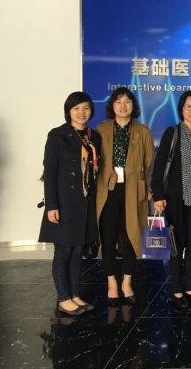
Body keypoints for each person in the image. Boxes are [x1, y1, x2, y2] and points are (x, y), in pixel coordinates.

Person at [151, 90, 191, 309]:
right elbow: (159, 166)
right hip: (175, 198)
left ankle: (190, 288)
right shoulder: (173, 133)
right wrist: (158, 195)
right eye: (188, 106)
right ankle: (177, 290)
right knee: (177, 245)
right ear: (181, 109)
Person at [39, 91, 100, 315]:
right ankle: (64, 298)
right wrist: (51, 205)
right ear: (68, 111)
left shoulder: (94, 137)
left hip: (85, 202)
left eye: (85, 108)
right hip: (64, 203)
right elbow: (50, 173)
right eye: (76, 108)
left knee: (77, 251)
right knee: (63, 251)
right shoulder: (57, 135)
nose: (81, 112)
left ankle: (75, 294)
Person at [96, 88, 155, 306]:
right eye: (118, 101)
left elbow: (151, 163)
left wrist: (150, 188)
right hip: (107, 190)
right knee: (108, 237)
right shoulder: (101, 129)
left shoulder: (143, 131)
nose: (123, 106)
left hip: (134, 189)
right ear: (112, 105)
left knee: (132, 236)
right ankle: (112, 283)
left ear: (133, 106)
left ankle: (127, 283)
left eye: (127, 101)